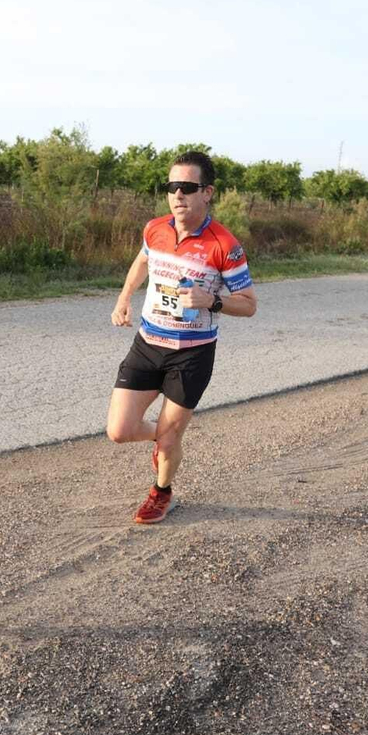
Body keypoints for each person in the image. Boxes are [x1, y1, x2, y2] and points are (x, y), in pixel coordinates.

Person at [106, 151, 257, 522]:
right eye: (172, 187)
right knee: (119, 430)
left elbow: (249, 304)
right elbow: (143, 261)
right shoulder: (154, 229)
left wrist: (212, 301)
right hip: (148, 343)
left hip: (192, 354)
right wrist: (124, 298)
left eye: (187, 188)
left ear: (207, 193)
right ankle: (165, 440)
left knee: (171, 437)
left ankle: (162, 490)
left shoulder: (224, 244)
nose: (177, 195)